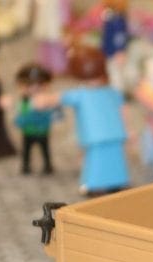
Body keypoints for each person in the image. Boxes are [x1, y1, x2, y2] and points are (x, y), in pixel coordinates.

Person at [37, 45, 129, 195]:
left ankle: (93, 184)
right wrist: (126, 129)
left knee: (95, 160)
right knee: (114, 157)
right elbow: (122, 109)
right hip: (114, 131)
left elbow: (58, 98)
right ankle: (117, 181)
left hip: (95, 134)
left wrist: (43, 100)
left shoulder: (81, 94)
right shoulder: (112, 91)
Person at [5, 63, 59, 175]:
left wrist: (52, 106)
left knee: (44, 149)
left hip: (42, 131)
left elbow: (55, 115)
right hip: (28, 131)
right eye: (30, 85)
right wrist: (11, 109)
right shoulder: (24, 102)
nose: (34, 88)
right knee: (26, 150)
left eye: (39, 85)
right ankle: (26, 165)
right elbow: (19, 115)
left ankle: (47, 165)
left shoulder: (46, 101)